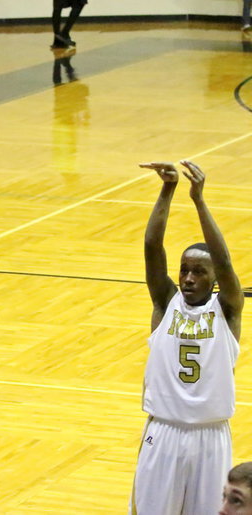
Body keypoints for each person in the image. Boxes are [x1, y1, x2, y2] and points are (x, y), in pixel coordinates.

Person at [130, 160, 244, 514]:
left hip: (211, 437)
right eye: (184, 270)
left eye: (199, 271)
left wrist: (199, 201)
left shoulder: (227, 308)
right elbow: (152, 246)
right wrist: (168, 189)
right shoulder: (166, 302)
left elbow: (225, 263)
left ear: (213, 279)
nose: (189, 278)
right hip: (163, 431)